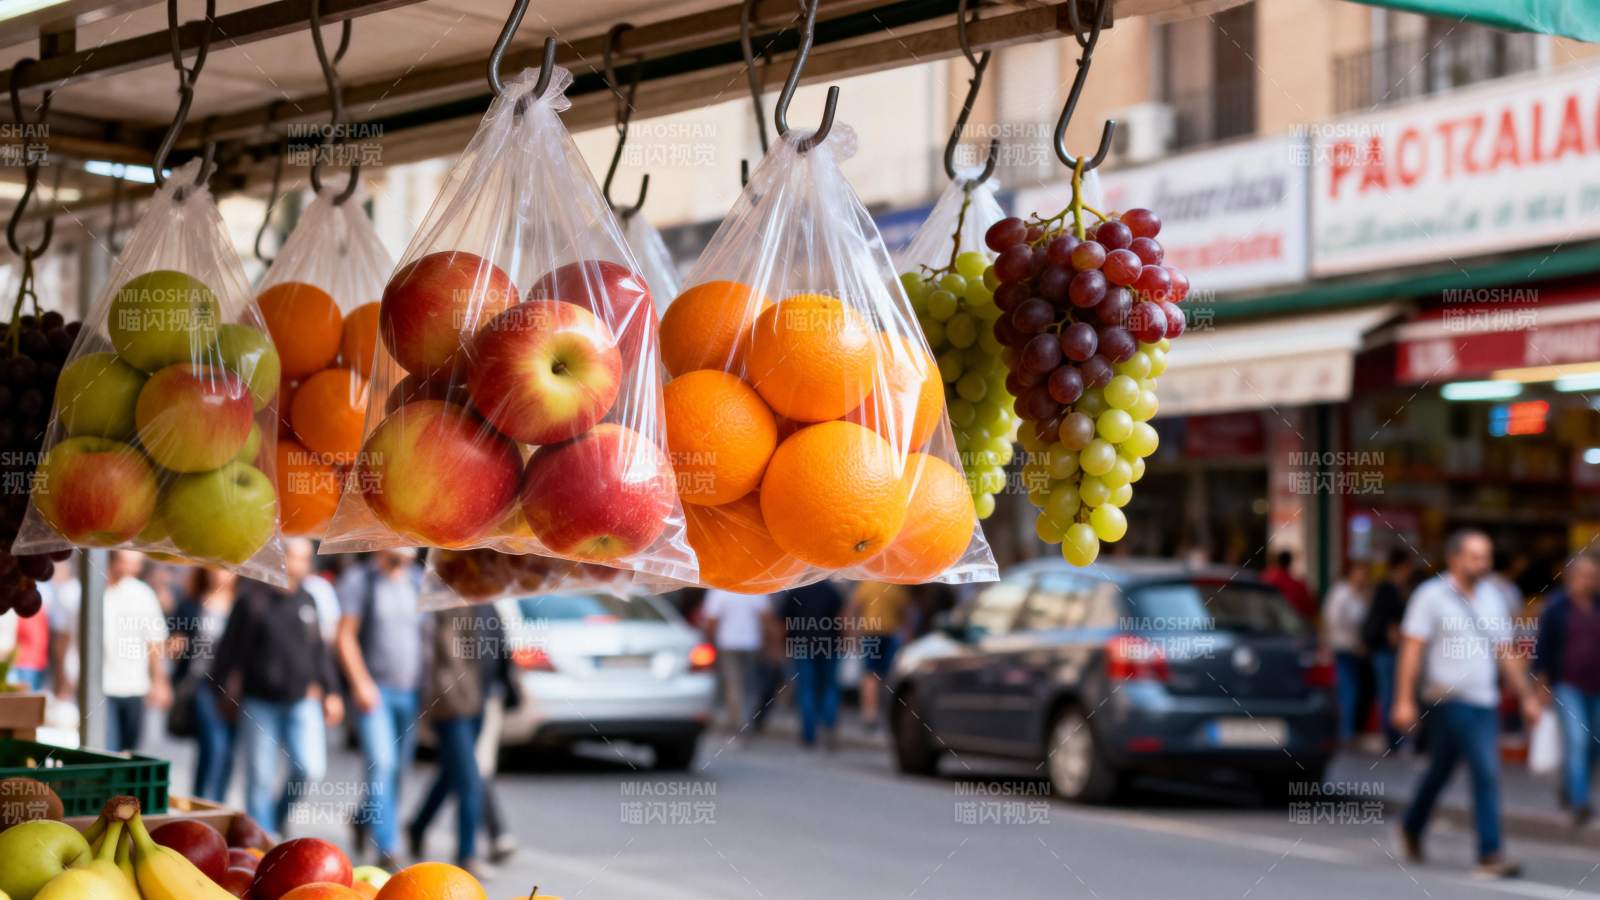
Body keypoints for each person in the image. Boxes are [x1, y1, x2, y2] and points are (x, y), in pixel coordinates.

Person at [1393, 529, 1542, 879]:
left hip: (1484, 701)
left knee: (1440, 770)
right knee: (1485, 769)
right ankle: (1490, 853)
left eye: (1486, 556)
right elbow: (1411, 649)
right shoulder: (1430, 596)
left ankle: (1412, 825)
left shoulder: (1493, 597)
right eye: (1475, 557)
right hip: (1446, 701)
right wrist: (1402, 700)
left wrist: (1526, 696)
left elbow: (1505, 651)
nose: (1483, 563)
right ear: (1454, 558)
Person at [212, 538, 344, 836]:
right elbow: (228, 650)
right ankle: (263, 839)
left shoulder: (308, 599)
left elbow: (319, 651)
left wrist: (332, 692)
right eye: (293, 556)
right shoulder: (252, 600)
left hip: (302, 700)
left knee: (309, 768)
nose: (298, 564)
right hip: (259, 702)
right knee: (260, 776)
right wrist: (221, 691)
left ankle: (278, 814)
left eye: (304, 558)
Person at [335, 548, 425, 869]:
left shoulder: (418, 582)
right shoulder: (361, 580)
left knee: (398, 770)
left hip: (411, 692)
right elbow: (344, 635)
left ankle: (363, 817)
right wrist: (360, 683)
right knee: (382, 763)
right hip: (375, 692)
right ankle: (388, 846)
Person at [406, 605, 501, 874]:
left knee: (451, 773)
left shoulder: (487, 603)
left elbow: (498, 646)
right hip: (451, 704)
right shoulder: (445, 603)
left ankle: (417, 825)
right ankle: (467, 854)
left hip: (479, 701)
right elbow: (437, 657)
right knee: (470, 778)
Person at [1534, 550, 1600, 827]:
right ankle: (1579, 802)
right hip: (1567, 685)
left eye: (1593, 576)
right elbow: (1543, 649)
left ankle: (1570, 784)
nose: (1589, 581)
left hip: (1596, 685)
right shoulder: (1556, 607)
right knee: (1577, 740)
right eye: (1584, 576)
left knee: (1594, 743)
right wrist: (1541, 686)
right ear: (1570, 577)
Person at [170, 568, 240, 802]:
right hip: (202, 683)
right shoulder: (191, 604)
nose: (220, 573)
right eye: (216, 567)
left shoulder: (243, 604)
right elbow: (175, 640)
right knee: (214, 745)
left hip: (235, 688)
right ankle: (202, 801)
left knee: (228, 750)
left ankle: (216, 803)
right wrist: (175, 646)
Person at [102, 551, 171, 752]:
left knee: (130, 750)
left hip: (135, 686)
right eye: (124, 562)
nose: (129, 569)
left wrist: (159, 681)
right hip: (102, 687)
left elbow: (154, 642)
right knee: (108, 748)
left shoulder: (142, 594)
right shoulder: (92, 591)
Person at [780, 581, 844, 750]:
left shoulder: (796, 591)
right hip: (829, 644)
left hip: (802, 644)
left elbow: (784, 621)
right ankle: (829, 727)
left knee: (806, 689)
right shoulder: (831, 590)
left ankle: (809, 734)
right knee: (829, 686)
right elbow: (842, 617)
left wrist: (782, 645)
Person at [1363, 547, 1415, 749]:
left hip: (1388, 650)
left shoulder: (1394, 588)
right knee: (1389, 694)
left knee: (1391, 693)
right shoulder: (1389, 589)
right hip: (1387, 651)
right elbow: (1390, 624)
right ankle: (1392, 738)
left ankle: (1394, 737)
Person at [702, 588, 773, 734]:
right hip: (751, 643)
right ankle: (746, 720)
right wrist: (766, 641)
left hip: (728, 642)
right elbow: (766, 618)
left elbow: (711, 620)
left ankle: (736, 720)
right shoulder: (757, 590)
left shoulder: (720, 591)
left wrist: (709, 640)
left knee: (733, 683)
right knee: (749, 684)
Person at [845, 581, 911, 731]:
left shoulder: (867, 585)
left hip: (870, 633)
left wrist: (852, 633)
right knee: (887, 675)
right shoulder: (896, 585)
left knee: (870, 674)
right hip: (890, 634)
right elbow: (904, 613)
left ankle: (869, 713)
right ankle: (885, 711)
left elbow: (854, 608)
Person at [1322, 560, 1371, 744]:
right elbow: (1333, 620)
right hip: (1342, 647)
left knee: (1352, 690)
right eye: (1360, 572)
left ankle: (1348, 729)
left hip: (1355, 649)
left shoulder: (1359, 595)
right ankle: (1344, 731)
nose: (1363, 576)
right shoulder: (1341, 593)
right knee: (1348, 690)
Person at [1262, 548, 1315, 621]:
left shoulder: (1265, 579)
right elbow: (1311, 610)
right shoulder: (1298, 585)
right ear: (1289, 562)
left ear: (1276, 561)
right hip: (1291, 624)